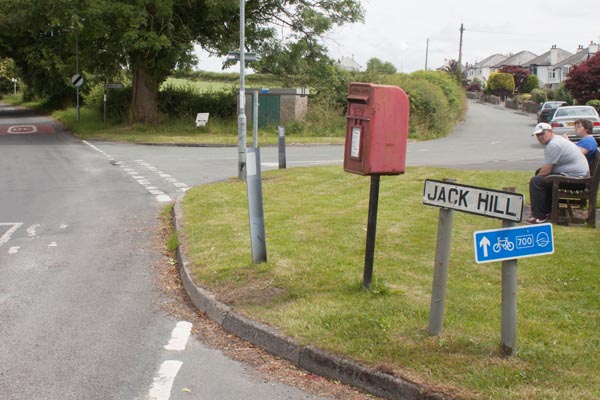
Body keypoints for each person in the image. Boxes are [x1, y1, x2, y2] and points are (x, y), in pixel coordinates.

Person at [527, 122, 590, 224]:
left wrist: (532, 179)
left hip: (576, 180)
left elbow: (546, 171)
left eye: (543, 133)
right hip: (578, 177)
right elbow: (546, 169)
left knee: (536, 181)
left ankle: (539, 216)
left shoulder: (554, 144)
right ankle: (546, 210)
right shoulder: (556, 140)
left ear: (550, 131)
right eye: (538, 135)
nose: (540, 137)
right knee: (540, 175)